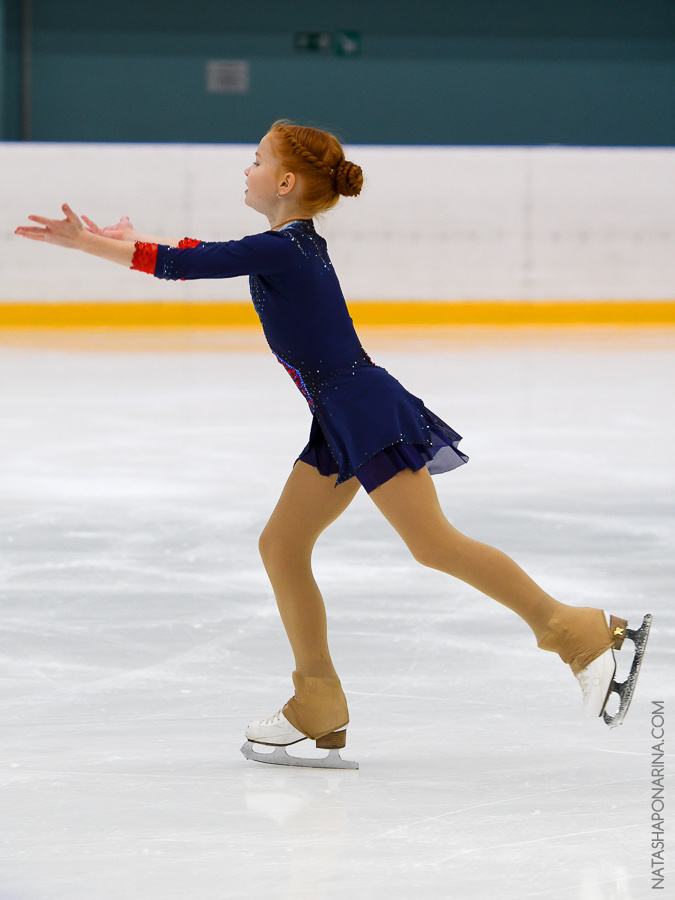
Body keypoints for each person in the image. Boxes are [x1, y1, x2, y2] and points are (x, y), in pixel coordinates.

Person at [16, 120, 650, 769]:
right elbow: (206, 252)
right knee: (282, 545)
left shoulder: (286, 249)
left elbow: (185, 264)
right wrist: (127, 240)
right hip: (340, 414)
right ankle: (316, 700)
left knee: (432, 544)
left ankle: (575, 632)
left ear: (285, 182)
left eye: (256, 159)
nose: (246, 168)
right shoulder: (288, 244)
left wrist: (88, 242)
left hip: (361, 410)